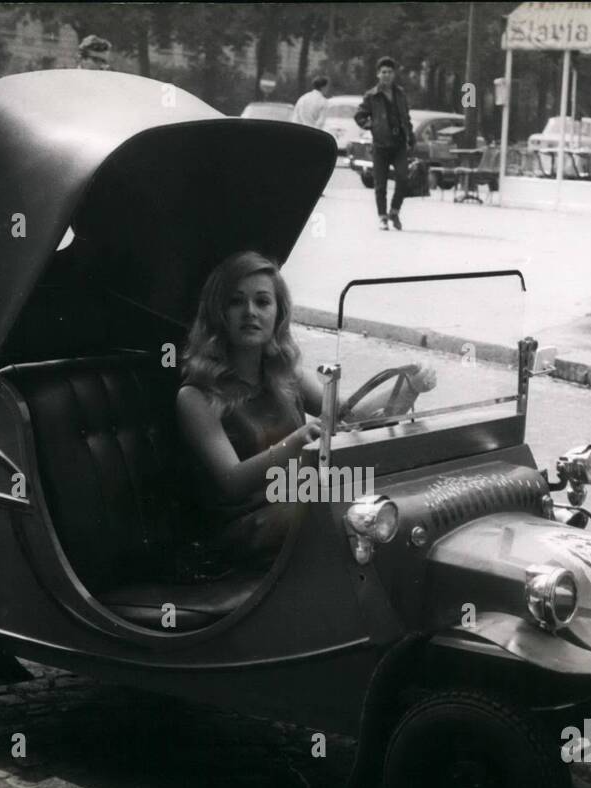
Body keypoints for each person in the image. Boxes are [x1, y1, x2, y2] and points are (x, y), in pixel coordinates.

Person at [176, 252, 435, 562]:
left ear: (278, 313)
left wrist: (408, 386)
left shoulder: (285, 374)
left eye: (262, 302)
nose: (250, 312)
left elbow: (347, 416)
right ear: (218, 313)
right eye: (235, 302)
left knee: (392, 497)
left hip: (299, 501)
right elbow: (232, 482)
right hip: (243, 527)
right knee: (347, 508)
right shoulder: (196, 396)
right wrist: (297, 441)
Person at [354, 57, 415, 231]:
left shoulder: (400, 94)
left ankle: (394, 211)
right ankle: (382, 217)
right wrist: (371, 125)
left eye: (389, 72)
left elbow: (406, 117)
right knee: (380, 185)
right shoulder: (371, 95)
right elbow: (359, 116)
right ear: (378, 74)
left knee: (403, 178)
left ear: (394, 74)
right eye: (383, 72)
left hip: (399, 144)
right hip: (380, 145)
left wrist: (410, 136)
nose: (386, 75)